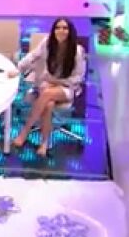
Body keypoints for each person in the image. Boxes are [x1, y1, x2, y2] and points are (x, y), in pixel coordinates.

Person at [9, 18, 86, 157]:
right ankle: (44, 143)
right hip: (47, 83)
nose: (61, 31)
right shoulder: (47, 42)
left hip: (67, 87)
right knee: (49, 104)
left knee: (46, 94)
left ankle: (24, 132)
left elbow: (78, 77)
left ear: (70, 31)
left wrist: (58, 81)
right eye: (58, 27)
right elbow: (32, 56)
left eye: (65, 28)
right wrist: (18, 69)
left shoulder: (77, 51)